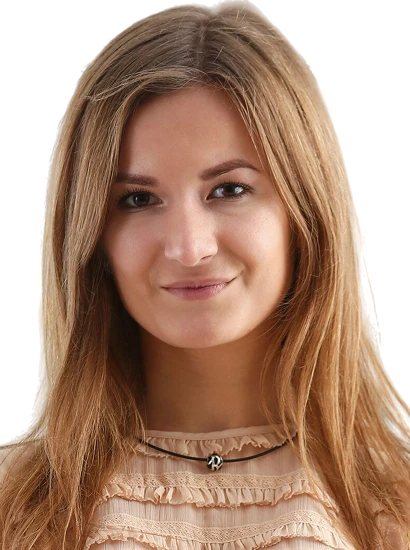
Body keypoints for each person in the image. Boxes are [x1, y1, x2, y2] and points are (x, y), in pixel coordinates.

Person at [1, 1, 409, 548]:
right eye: (138, 198)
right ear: (91, 234)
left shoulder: (395, 498)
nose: (190, 248)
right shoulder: (15, 507)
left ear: (305, 211)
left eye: (229, 189)